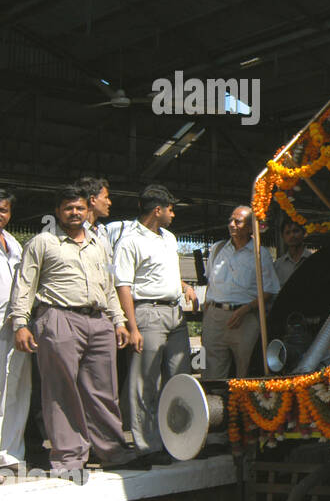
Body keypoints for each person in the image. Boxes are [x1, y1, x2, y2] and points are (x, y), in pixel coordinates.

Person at [8, 186, 145, 472]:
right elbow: (24, 285)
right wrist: (20, 323)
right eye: (68, 208)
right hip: (58, 319)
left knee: (103, 389)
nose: (74, 213)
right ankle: (69, 458)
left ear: (88, 210)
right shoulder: (43, 243)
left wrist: (118, 320)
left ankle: (112, 450)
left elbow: (108, 287)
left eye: (79, 208)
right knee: (61, 389)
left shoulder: (100, 244)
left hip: (98, 322)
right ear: (57, 211)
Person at [114, 186, 198, 461]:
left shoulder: (170, 238)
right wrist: (133, 326)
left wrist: (184, 285)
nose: (173, 214)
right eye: (171, 209)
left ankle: (179, 441)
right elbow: (123, 285)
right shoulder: (129, 241)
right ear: (157, 210)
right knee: (145, 383)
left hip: (175, 314)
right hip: (147, 314)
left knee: (179, 378)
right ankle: (147, 446)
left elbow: (164, 273)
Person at [201, 205, 279, 381]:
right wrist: (207, 310)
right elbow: (209, 282)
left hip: (245, 318)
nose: (232, 224)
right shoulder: (217, 249)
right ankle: (216, 405)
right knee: (212, 370)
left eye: (238, 221)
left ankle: (242, 407)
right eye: (230, 220)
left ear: (251, 228)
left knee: (246, 370)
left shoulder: (260, 254)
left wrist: (244, 310)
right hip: (215, 317)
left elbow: (269, 291)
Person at [0, 189, 31, 470]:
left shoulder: (13, 244)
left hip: (13, 324)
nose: (1, 214)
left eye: (4, 210)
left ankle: (9, 453)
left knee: (15, 388)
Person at [273, 217, 313, 286]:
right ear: (283, 237)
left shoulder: (313, 261)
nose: (292, 235)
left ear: (304, 233)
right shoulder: (277, 266)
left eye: (295, 231)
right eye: (288, 233)